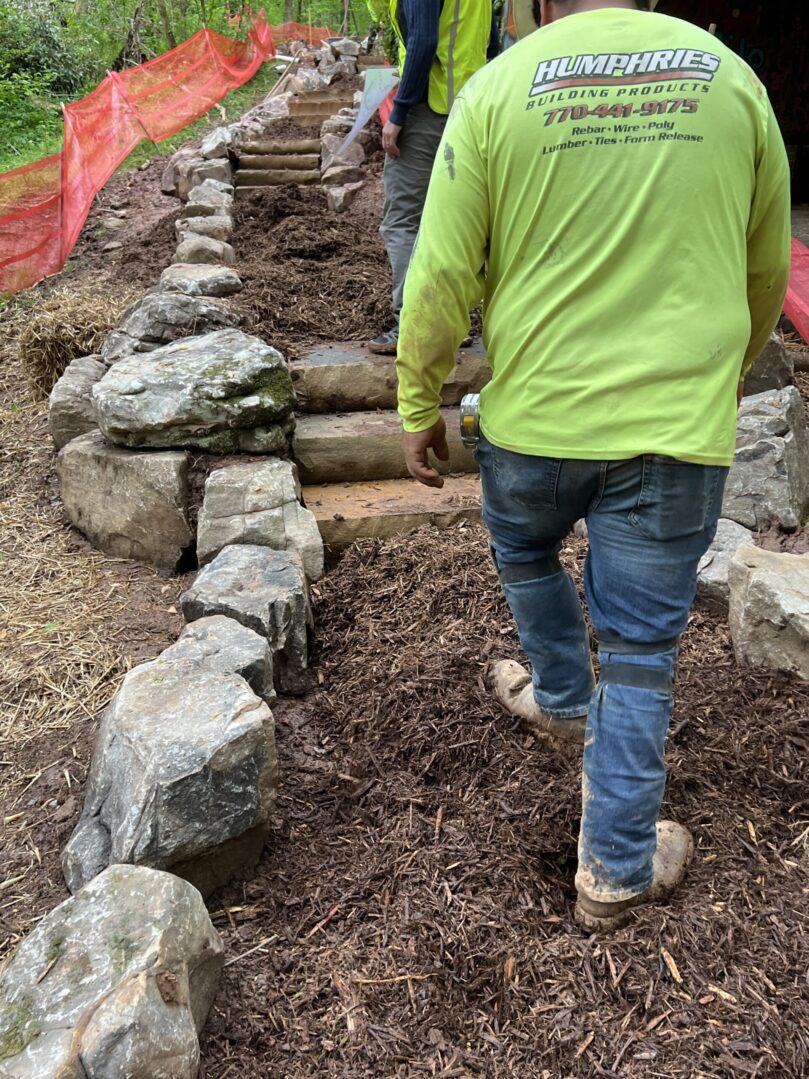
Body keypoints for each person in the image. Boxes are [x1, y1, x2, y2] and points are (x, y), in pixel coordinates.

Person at [395, 0, 791, 929]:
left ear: (535, 3)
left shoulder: (495, 90)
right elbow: (765, 267)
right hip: (669, 432)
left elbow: (441, 272)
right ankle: (614, 865)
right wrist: (719, 376)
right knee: (642, 652)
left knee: (524, 552)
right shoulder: (732, 83)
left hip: (533, 427)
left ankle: (561, 692)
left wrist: (418, 403)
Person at [368, 0, 497, 355]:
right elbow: (492, 42)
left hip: (430, 112)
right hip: (473, 108)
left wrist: (400, 111)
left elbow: (423, 41)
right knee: (471, 220)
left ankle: (417, 326)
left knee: (404, 220)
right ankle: (462, 320)